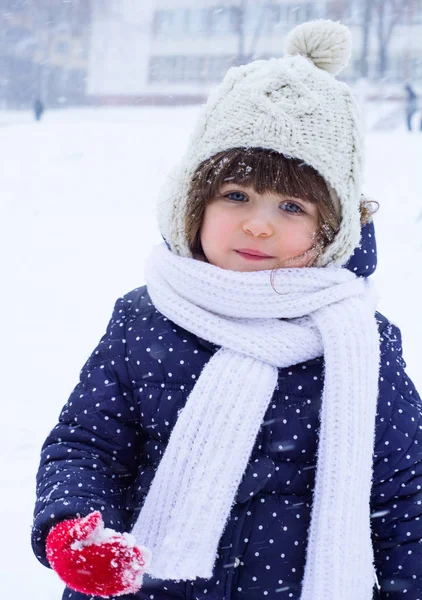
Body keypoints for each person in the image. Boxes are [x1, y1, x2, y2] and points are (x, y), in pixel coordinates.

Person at [32, 20, 422, 600]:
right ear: (193, 203)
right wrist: (75, 528)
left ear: (332, 230)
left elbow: (403, 494)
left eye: (292, 206)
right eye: (235, 195)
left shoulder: (360, 340)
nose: (258, 223)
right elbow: (88, 444)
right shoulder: (147, 318)